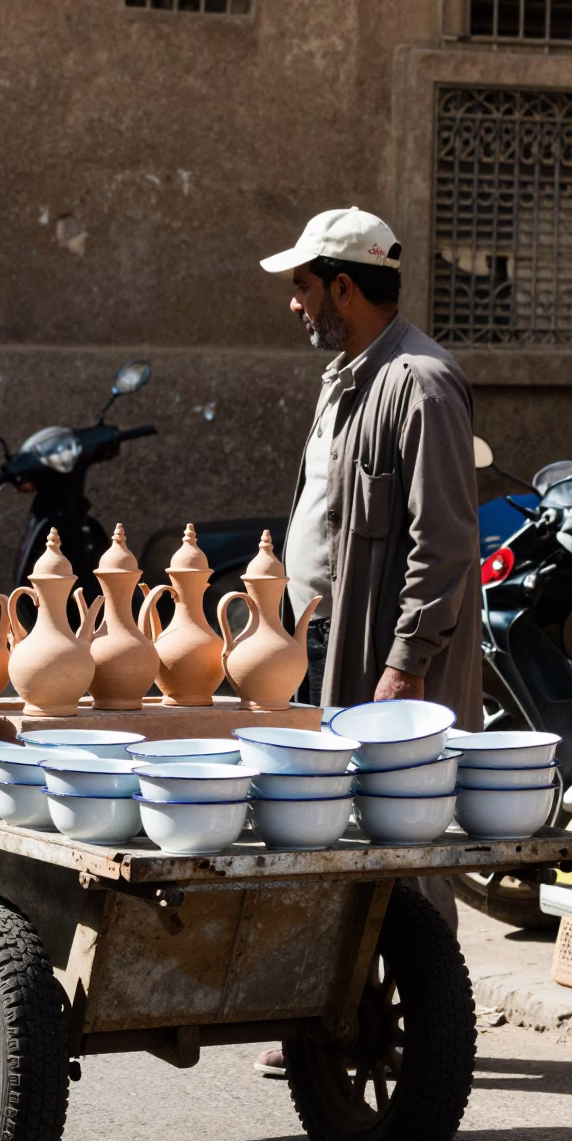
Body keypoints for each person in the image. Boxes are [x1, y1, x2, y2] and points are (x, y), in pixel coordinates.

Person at [253, 207, 483, 1078]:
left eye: (302, 286)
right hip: (327, 655)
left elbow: (446, 542)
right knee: (338, 839)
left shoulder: (420, 383)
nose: (294, 304)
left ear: (343, 287)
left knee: (409, 848)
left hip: (390, 671)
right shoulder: (346, 376)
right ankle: (328, 1011)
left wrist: (403, 662)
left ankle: (431, 1035)